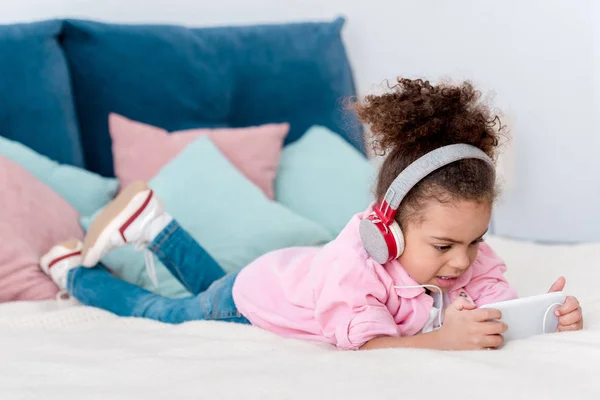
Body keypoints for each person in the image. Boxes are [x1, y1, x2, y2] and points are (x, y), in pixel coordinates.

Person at [40, 78, 583, 351]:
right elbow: (371, 349)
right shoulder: (358, 265)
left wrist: (539, 319)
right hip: (251, 299)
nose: (463, 262)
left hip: (287, 272)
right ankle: (74, 271)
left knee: (204, 284)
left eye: (475, 240)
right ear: (389, 228)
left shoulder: (466, 253)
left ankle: (153, 226)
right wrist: (441, 340)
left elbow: (492, 304)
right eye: (443, 246)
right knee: (169, 311)